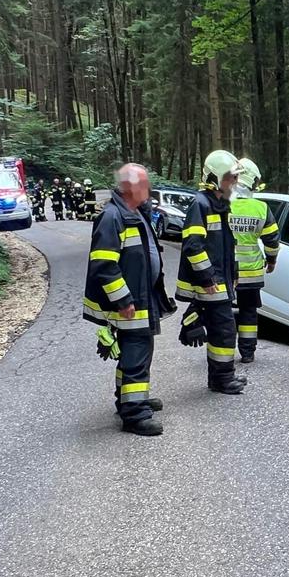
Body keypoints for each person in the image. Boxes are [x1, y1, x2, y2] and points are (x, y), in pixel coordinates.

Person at [82, 163, 174, 436]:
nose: (148, 190)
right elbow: (104, 264)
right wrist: (123, 300)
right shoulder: (113, 217)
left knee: (136, 352)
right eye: (144, 184)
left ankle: (130, 401)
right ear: (130, 187)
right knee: (136, 353)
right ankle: (135, 415)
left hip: (141, 298)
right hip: (130, 303)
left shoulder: (135, 212)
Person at [177, 150, 244, 394]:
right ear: (215, 178)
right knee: (224, 330)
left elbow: (226, 245)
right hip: (210, 281)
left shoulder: (220, 204)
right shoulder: (201, 204)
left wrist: (233, 271)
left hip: (220, 278)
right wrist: (207, 277)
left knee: (221, 330)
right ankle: (222, 379)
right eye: (230, 177)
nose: (234, 182)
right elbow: (193, 245)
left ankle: (221, 377)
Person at [228, 158, 280, 364]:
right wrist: (272, 261)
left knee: (224, 312)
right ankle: (248, 353)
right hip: (251, 273)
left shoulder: (222, 204)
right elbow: (272, 240)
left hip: (226, 272)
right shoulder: (261, 208)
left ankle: (223, 350)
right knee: (249, 312)